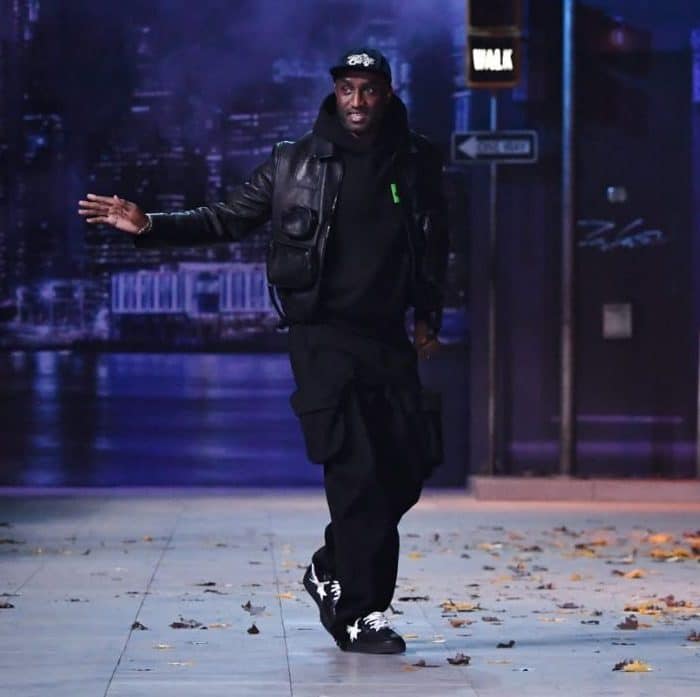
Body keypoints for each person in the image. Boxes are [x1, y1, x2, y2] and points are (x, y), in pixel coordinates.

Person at [78, 47, 448, 654]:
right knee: (356, 475)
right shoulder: (292, 163)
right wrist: (150, 226)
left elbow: (434, 244)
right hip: (322, 336)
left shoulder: (417, 159)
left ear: (387, 93)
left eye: (368, 89)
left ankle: (329, 567)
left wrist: (428, 319)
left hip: (386, 337)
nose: (357, 101)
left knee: (405, 470)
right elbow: (226, 218)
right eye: (347, 89)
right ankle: (361, 613)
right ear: (335, 93)